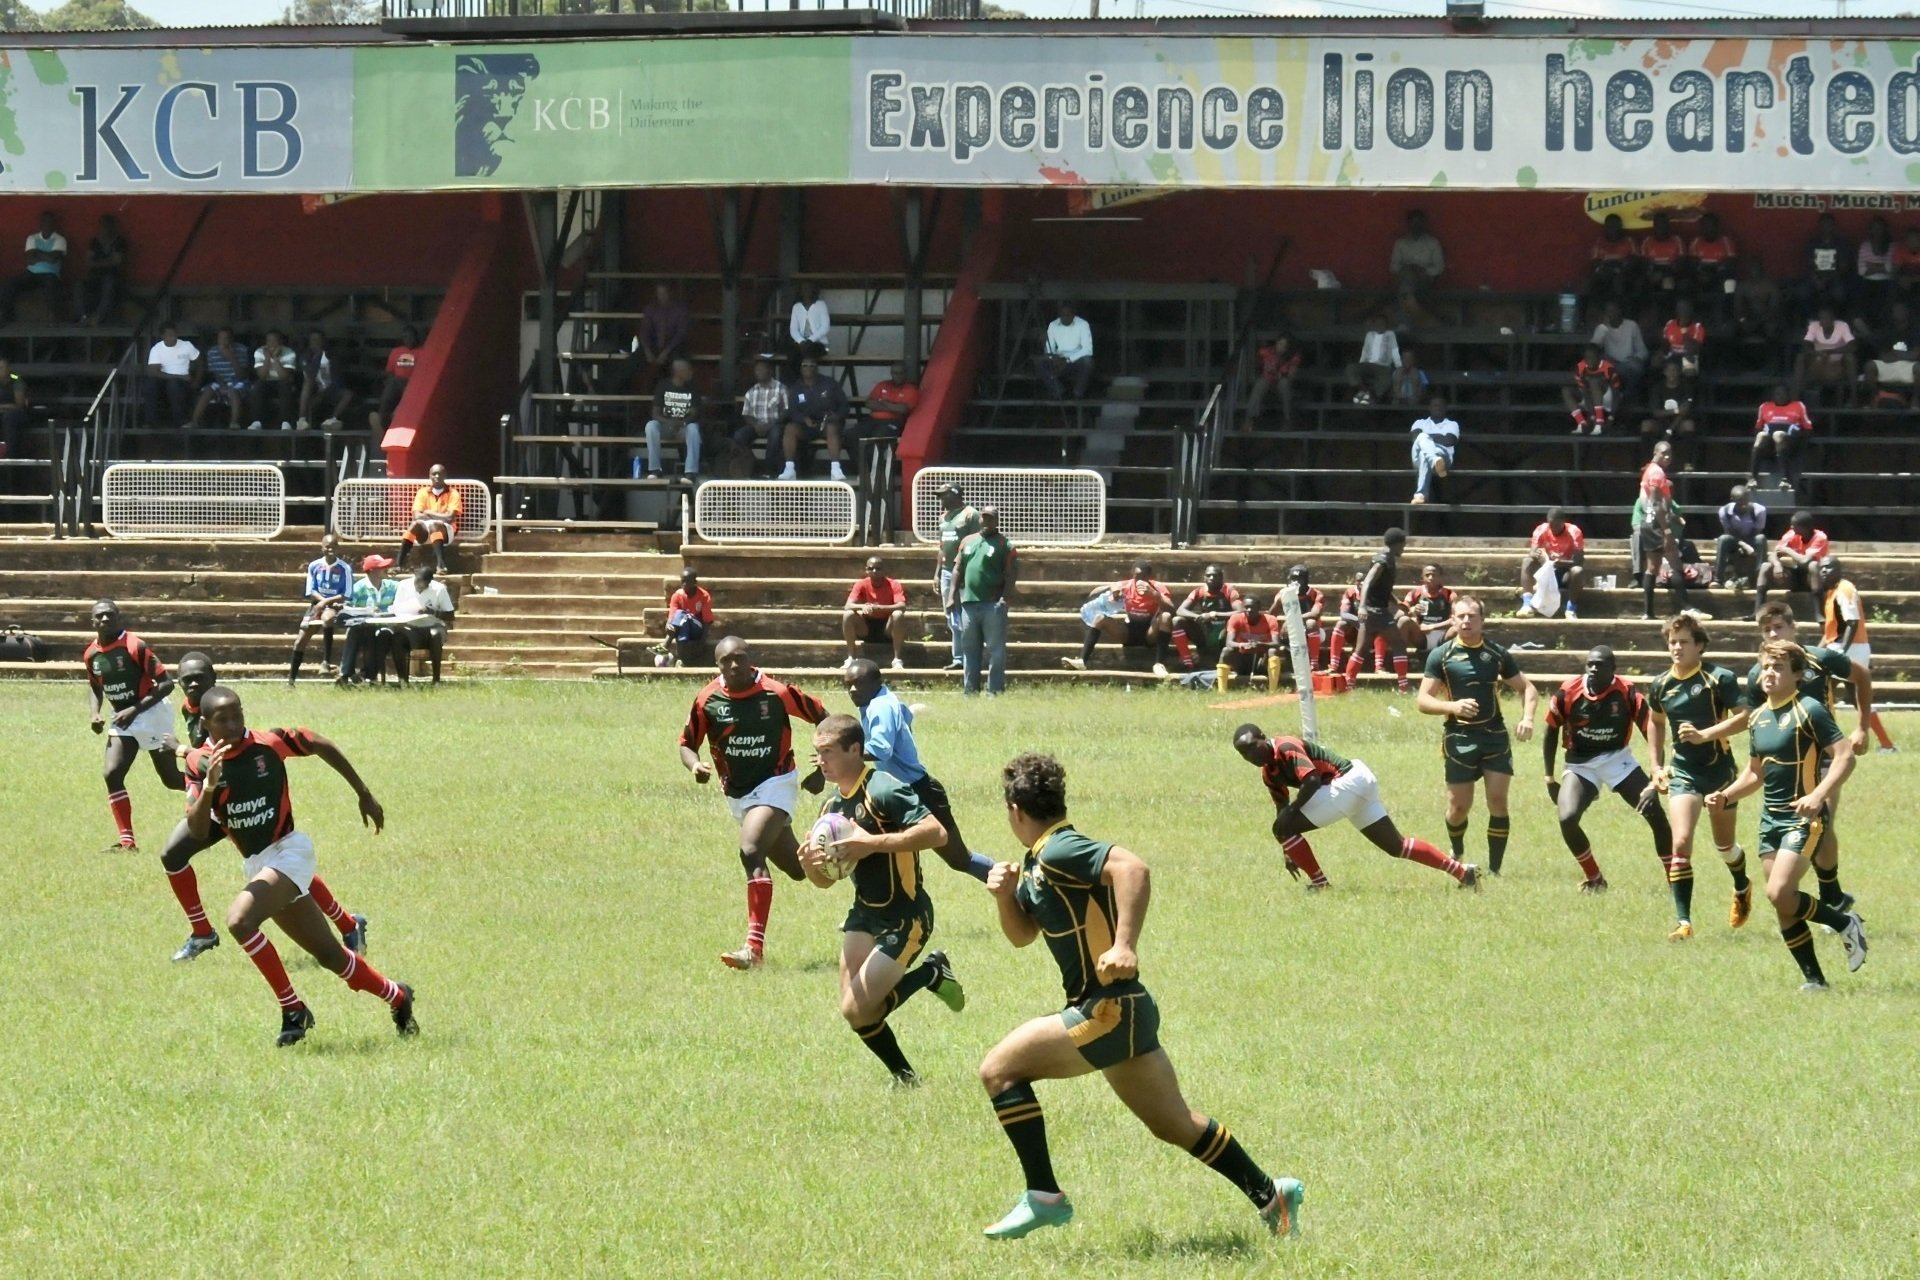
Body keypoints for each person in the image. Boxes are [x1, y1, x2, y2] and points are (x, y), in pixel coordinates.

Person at [977, 753, 1304, 1241]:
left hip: (1105, 1009)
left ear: (1015, 809)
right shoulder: (1037, 862)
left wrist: (1124, 943)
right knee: (1174, 1124)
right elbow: (1022, 935)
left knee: (999, 1071)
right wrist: (1005, 897)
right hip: (1125, 1011)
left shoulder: (1061, 849)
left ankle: (1043, 1196)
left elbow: (1132, 868)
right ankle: (1270, 1196)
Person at [184, 687, 416, 1045]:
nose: (232, 724)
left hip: (290, 851)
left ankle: (293, 1010)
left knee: (239, 921)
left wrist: (363, 793)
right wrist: (211, 789)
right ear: (205, 723)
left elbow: (318, 742)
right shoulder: (199, 764)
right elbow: (198, 831)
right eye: (222, 719)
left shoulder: (268, 743)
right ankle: (398, 996)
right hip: (258, 863)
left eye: (237, 715)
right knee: (331, 957)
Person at [161, 653, 367, 964]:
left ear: (213, 679)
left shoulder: (224, 710)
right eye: (186, 679)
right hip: (216, 800)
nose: (192, 684)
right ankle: (202, 931)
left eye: (199, 678)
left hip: (239, 796)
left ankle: (348, 924)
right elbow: (204, 761)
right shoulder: (192, 709)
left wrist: (179, 749)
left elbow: (223, 751)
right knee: (173, 855)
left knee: (276, 858)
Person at [1682, 603, 1876, 925]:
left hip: (1827, 754)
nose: (1773, 634)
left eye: (1779, 628)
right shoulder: (1761, 674)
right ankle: (1825, 898)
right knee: (1802, 828)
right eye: (1767, 630)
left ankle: (1830, 896)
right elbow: (1751, 719)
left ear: (1793, 627)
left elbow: (1862, 675)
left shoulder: (1821, 657)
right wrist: (1706, 735)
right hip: (1788, 759)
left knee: (1820, 815)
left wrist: (1862, 726)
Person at [801, 714, 965, 1087]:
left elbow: (936, 833)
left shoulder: (884, 788)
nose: (821, 761)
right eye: (817, 754)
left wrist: (869, 842)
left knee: (857, 1009)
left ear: (855, 750)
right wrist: (811, 866)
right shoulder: (830, 809)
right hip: (864, 914)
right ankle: (906, 1078)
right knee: (856, 1012)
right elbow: (825, 882)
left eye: (828, 752)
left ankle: (929, 973)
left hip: (906, 915)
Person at [1703, 642, 1865, 992]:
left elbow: (1844, 756)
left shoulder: (1811, 710)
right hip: (1769, 823)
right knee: (1783, 906)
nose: (1770, 674)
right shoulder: (1758, 717)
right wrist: (1725, 796)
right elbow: (1754, 775)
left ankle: (1844, 923)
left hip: (1804, 820)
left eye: (1778, 668)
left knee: (1779, 893)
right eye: (1765, 667)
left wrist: (1818, 795)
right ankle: (1816, 981)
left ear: (1797, 674)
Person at [679, 637, 829, 970]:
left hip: (777, 783)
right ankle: (838, 842)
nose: (734, 665)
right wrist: (695, 766)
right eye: (726, 661)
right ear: (717, 665)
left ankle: (753, 949)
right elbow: (687, 744)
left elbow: (824, 718)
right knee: (800, 869)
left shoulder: (776, 692)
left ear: (751, 659)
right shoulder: (708, 700)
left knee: (750, 850)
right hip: (739, 794)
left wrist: (822, 767)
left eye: (740, 658)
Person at [1234, 723, 1477, 890]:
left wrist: (1290, 819)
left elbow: (1311, 781)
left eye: (1253, 747)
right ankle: (1462, 872)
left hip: (1346, 783)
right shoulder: (1269, 774)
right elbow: (1282, 809)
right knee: (1396, 846)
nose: (1251, 756)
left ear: (1264, 738)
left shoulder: (1285, 747)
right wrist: (1288, 850)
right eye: (1244, 754)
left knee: (1282, 827)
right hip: (1358, 782)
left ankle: (1321, 886)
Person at [1647, 614, 1755, 937]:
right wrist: (1655, 766)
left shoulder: (1718, 678)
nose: (1677, 648)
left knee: (1725, 846)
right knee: (1680, 843)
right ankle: (1684, 922)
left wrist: (1705, 735)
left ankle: (1742, 885)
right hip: (1683, 772)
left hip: (1720, 772)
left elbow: (1746, 717)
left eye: (1683, 642)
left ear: (1700, 646)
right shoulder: (1660, 685)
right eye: (1672, 642)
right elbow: (1655, 722)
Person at [1416, 594, 1538, 874]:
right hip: (1459, 738)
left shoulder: (1496, 653)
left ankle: (1495, 870)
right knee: (1458, 807)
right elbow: (1423, 700)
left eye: (1472, 616)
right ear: (1453, 619)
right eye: (1461, 616)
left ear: (1482, 621)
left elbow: (1527, 688)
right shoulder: (1441, 655)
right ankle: (1457, 849)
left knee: (1497, 800)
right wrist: (1452, 706)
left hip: (1494, 736)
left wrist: (1528, 718)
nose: (1466, 621)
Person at [1542, 647, 1673, 901]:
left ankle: (1673, 879)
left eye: (1599, 665)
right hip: (1580, 765)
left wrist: (1655, 777)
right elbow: (1550, 732)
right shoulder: (1568, 691)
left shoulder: (1627, 692)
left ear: (1613, 669)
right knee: (1567, 818)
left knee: (1654, 812)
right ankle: (1594, 878)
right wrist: (1549, 778)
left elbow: (1652, 731)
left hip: (1618, 760)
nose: (1593, 669)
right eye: (1589, 664)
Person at [844, 660, 994, 881]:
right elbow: (905, 714)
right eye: (848, 685)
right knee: (884, 856)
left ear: (877, 682)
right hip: (895, 792)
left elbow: (880, 749)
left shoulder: (880, 706)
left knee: (960, 859)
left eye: (859, 683)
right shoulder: (883, 699)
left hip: (919, 792)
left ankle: (1013, 885)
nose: (852, 689)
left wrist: (843, 753)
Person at [83, 600, 184, 852]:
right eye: (100, 616)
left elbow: (166, 683)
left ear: (119, 617)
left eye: (109, 615)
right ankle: (127, 842)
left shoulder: (134, 646)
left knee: (171, 779)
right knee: (112, 773)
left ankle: (215, 792)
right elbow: (95, 686)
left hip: (151, 713)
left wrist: (135, 708)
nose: (105, 620)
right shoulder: (91, 654)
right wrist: (95, 713)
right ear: (92, 621)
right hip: (122, 718)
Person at [1816, 556, 1895, 752]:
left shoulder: (1845, 589)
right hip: (1844, 646)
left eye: (1829, 568)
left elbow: (1852, 622)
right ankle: (1886, 744)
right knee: (1856, 697)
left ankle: (1826, 742)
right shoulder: (1833, 591)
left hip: (1849, 647)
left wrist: (1842, 651)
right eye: (1822, 569)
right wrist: (1817, 652)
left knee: (1824, 690)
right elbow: (1831, 632)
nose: (1824, 571)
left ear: (1839, 569)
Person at [949, 505, 1017, 695]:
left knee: (996, 650)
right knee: (970, 649)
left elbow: (1011, 574)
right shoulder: (967, 541)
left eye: (990, 518)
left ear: (997, 521)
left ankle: (994, 690)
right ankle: (970, 690)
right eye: (984, 518)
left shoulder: (1005, 545)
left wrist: (1004, 598)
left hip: (992, 604)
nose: (986, 521)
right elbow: (957, 569)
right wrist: (951, 594)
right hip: (969, 603)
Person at [1066, 561, 1176, 676]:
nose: (1139, 580)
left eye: (1143, 577)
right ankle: (1082, 661)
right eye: (1137, 576)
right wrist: (1112, 588)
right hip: (1129, 631)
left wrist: (1154, 595)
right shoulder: (1127, 585)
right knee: (1100, 618)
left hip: (1150, 631)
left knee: (1166, 617)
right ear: (1133, 575)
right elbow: (1097, 591)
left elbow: (1172, 610)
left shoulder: (1157, 587)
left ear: (1149, 576)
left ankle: (1159, 664)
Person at [1634, 440, 1697, 620]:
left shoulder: (1649, 470)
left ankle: (1648, 612)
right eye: (1664, 453)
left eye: (1670, 454)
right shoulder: (1657, 472)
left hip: (1648, 521)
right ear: (1655, 452)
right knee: (1675, 563)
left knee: (1652, 568)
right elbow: (1655, 503)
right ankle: (1685, 606)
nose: (1668, 457)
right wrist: (1667, 532)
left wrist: (1674, 516)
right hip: (1656, 524)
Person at [1345, 527, 1408, 692]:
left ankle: (1348, 685)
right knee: (1399, 644)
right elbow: (1367, 582)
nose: (1404, 548)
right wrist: (1363, 607)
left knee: (1361, 649)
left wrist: (1396, 601)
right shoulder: (1383, 561)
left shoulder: (1387, 558)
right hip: (1376, 611)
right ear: (1397, 543)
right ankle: (1404, 687)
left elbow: (1382, 588)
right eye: (1403, 545)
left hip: (1376, 610)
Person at [288, 533, 351, 684]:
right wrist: (322, 602)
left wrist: (327, 602)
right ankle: (291, 680)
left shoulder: (344, 568)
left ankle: (326, 662)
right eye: (327, 547)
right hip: (316, 604)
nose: (331, 550)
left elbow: (346, 594)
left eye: (334, 547)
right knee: (300, 641)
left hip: (335, 605)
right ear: (322, 548)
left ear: (338, 548)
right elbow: (311, 591)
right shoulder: (314, 566)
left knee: (327, 618)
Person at [934, 482, 981, 673]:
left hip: (965, 570)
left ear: (955, 495)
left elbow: (977, 543)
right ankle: (958, 658)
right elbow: (941, 547)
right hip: (946, 571)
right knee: (952, 617)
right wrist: (937, 573)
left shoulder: (970, 515)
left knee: (967, 617)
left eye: (945, 495)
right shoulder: (943, 517)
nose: (941, 500)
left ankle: (970, 657)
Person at [778, 358, 848, 482]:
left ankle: (836, 469)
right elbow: (791, 411)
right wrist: (803, 419)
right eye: (805, 365)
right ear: (800, 368)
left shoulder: (829, 383)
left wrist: (837, 416)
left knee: (832, 427)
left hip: (827, 423)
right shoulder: (796, 387)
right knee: (790, 428)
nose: (808, 368)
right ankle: (789, 469)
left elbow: (844, 405)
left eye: (812, 365)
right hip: (806, 426)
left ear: (817, 367)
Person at [334, 554, 399, 686]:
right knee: (356, 631)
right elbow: (348, 608)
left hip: (386, 625)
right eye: (382, 567)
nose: (386, 569)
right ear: (371, 571)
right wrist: (366, 612)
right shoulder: (358, 587)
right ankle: (347, 673)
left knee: (384, 635)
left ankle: (365, 674)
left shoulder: (393, 586)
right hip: (363, 626)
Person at [385, 566, 456, 686]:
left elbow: (450, 615)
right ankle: (403, 680)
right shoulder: (403, 585)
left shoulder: (439, 589)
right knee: (397, 638)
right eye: (417, 582)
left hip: (432, 626)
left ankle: (436, 680)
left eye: (422, 585)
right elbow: (397, 608)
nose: (419, 587)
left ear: (429, 582)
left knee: (436, 635)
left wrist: (433, 612)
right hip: (410, 627)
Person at [841, 555, 908, 672]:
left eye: (878, 568)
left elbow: (902, 606)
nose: (875, 571)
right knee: (848, 615)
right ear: (866, 570)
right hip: (866, 626)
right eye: (871, 568)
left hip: (887, 627)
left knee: (898, 615)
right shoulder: (861, 584)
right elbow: (848, 605)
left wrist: (880, 608)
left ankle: (897, 659)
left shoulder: (894, 584)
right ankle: (851, 657)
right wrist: (864, 606)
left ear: (884, 570)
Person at [1753, 509, 1826, 616]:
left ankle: (1818, 612)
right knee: (1766, 566)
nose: (1791, 527)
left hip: (1812, 579)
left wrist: (1788, 550)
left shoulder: (1820, 537)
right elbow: (1773, 554)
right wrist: (1777, 565)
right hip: (1795, 577)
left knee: (1813, 565)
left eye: (1794, 525)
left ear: (1804, 527)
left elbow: (1805, 561)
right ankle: (1757, 611)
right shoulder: (1791, 534)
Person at [1171, 564, 1241, 674]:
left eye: (1215, 576)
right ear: (1204, 578)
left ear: (1221, 578)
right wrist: (1199, 617)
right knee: (1177, 621)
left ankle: (1230, 663)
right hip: (1204, 632)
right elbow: (1180, 610)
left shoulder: (1229, 591)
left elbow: (1240, 611)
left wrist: (1215, 614)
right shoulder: (1199, 591)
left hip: (1224, 633)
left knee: (1236, 624)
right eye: (1209, 575)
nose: (1212, 578)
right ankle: (1188, 663)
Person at [0, 210, 67, 325]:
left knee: (51, 287)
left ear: (53, 223)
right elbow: (30, 260)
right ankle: (5, 315)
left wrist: (37, 252)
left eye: (49, 221)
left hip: (50, 274)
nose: (46, 224)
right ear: (40, 223)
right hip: (31, 273)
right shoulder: (32, 238)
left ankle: (53, 318)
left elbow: (53, 259)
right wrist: (45, 255)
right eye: (44, 221)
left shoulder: (60, 239)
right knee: (9, 284)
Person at [1519, 506, 1585, 620]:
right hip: (1548, 571)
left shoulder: (1574, 532)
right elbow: (1532, 551)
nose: (1553, 528)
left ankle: (1571, 608)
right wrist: (1536, 554)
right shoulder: (1542, 529)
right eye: (1551, 525)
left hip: (1565, 572)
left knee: (1578, 571)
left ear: (1563, 522)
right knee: (1527, 561)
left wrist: (1562, 563)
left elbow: (1579, 560)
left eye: (1557, 525)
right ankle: (1527, 603)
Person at [397, 462, 462, 573]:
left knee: (435, 525)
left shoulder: (453, 493)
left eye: (440, 474)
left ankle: (441, 565)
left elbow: (450, 518)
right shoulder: (422, 492)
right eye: (434, 474)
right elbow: (417, 516)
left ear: (445, 476)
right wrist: (439, 516)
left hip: (446, 531)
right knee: (415, 525)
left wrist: (428, 513)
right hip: (425, 530)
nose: (437, 476)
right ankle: (398, 564)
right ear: (430, 476)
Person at [643, 357, 702, 479]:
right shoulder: (663, 386)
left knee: (693, 429)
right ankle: (655, 469)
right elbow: (655, 413)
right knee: (651, 426)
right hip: (666, 426)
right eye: (687, 370)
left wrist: (681, 423)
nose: (691, 372)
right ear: (678, 372)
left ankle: (690, 471)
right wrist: (670, 422)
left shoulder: (693, 388)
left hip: (683, 428)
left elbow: (694, 413)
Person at [1749, 384, 1813, 495]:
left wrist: (1799, 444)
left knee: (1778, 435)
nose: (1781, 396)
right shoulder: (1765, 406)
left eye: (1783, 393)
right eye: (1778, 393)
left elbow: (1807, 428)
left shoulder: (1798, 406)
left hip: (1790, 441)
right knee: (1760, 436)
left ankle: (1785, 479)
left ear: (1789, 395)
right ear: (1773, 395)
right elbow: (1758, 428)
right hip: (1771, 444)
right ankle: (1752, 478)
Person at [1638, 360, 1698, 470]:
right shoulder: (1658, 387)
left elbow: (1684, 411)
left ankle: (1688, 463)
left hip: (1678, 424)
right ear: (1664, 372)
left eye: (1674, 370)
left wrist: (1670, 430)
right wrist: (1675, 411)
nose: (1672, 373)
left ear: (1679, 372)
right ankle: (1646, 463)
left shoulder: (1685, 387)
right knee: (1646, 425)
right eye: (1669, 370)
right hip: (1660, 424)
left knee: (1689, 424)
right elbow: (1656, 412)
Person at [734, 358, 789, 475]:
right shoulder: (751, 392)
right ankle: (755, 464)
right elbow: (746, 414)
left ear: (770, 371)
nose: (758, 372)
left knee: (776, 434)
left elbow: (786, 411)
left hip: (775, 424)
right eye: (757, 370)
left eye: (762, 369)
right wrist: (755, 425)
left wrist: (771, 425)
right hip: (757, 425)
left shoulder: (781, 388)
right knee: (739, 436)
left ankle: (768, 469)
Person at [1389, 208, 1445, 322]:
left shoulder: (1433, 242)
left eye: (1419, 222)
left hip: (1424, 280)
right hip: (1405, 277)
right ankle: (1426, 320)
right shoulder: (1400, 243)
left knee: (1405, 287)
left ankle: (1404, 322)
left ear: (1423, 224)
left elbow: (1439, 267)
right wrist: (1408, 269)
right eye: (1413, 222)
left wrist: (1422, 271)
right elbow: (1393, 267)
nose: (1416, 226)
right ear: (1408, 224)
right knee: (1406, 282)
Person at [1794, 305, 1857, 405]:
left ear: (1833, 319)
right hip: (1818, 364)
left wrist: (1831, 352)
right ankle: (1795, 399)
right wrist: (1817, 353)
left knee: (1850, 358)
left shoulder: (1842, 326)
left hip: (1837, 365)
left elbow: (1852, 347)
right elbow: (1805, 347)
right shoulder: (1814, 326)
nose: (1824, 321)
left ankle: (1854, 397)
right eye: (1821, 318)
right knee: (1800, 358)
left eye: (1827, 318)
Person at [72, 213, 127, 325]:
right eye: (103, 226)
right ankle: (83, 317)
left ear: (113, 227)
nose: (105, 228)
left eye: (107, 226)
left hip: (112, 276)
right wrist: (108, 261)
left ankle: (98, 317)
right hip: (94, 276)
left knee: (109, 284)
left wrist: (97, 262)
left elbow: (117, 262)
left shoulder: (119, 242)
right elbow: (87, 262)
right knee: (78, 284)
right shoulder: (94, 242)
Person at [1271, 564, 1327, 672]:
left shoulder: (1316, 594)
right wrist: (1278, 602)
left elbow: (1315, 614)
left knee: (1311, 622)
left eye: (1299, 579)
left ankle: (1314, 663)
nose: (1295, 582)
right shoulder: (1284, 592)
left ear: (1305, 580)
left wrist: (1292, 620)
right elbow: (1271, 615)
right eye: (1293, 579)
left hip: (1313, 631)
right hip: (1291, 630)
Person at [142, 322, 200, 428]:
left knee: (173, 385)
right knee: (150, 384)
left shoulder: (186, 345)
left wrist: (197, 380)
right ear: (162, 336)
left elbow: (200, 364)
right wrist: (178, 376)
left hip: (183, 382)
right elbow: (152, 372)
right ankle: (150, 421)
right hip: (168, 380)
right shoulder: (157, 349)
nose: (173, 337)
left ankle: (181, 421)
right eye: (169, 335)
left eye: (174, 334)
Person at [1218, 596, 1282, 691]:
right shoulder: (1235, 618)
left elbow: (1276, 643)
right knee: (1226, 651)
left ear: (1259, 608)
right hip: (1242, 659)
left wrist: (1260, 644)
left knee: (1273, 651)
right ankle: (1221, 690)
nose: (1249, 610)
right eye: (1246, 607)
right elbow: (1229, 643)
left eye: (1252, 607)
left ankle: (1273, 690)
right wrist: (1242, 645)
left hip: (1261, 660)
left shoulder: (1270, 620)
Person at [191, 327, 250, 428]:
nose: (224, 341)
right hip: (221, 382)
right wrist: (223, 386)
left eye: (226, 338)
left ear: (232, 339)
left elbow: (242, 375)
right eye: (221, 338)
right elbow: (214, 373)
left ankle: (234, 422)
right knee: (208, 390)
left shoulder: (241, 349)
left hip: (238, 382)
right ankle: (194, 421)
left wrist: (231, 357)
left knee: (234, 391)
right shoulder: (212, 352)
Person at [1035, 301, 1094, 401]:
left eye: (1068, 315)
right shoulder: (1053, 325)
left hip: (1076, 360)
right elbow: (1049, 348)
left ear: (1073, 315)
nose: (1065, 317)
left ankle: (1078, 394)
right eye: (1063, 315)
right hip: (1058, 360)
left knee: (1088, 362)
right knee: (1041, 363)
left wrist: (1067, 360)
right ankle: (1059, 393)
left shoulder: (1083, 324)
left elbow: (1087, 349)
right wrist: (1053, 358)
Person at [297, 329, 354, 430]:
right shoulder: (306, 356)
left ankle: (333, 420)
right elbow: (311, 372)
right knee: (308, 382)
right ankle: (302, 420)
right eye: (313, 340)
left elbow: (337, 378)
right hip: (315, 391)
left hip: (331, 390)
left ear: (323, 341)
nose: (315, 342)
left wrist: (322, 354)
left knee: (348, 394)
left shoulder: (332, 355)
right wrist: (318, 355)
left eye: (318, 340)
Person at [1241, 333, 1300, 430]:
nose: (1281, 348)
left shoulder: (1294, 357)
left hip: (1282, 389)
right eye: (1280, 344)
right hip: (1267, 385)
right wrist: (1265, 367)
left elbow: (1291, 376)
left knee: (1284, 383)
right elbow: (1256, 367)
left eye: (1284, 346)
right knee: (1261, 383)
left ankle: (1287, 419)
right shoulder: (1266, 352)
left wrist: (1280, 374)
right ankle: (1249, 419)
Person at [1714, 484, 1768, 591]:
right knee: (1723, 539)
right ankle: (1718, 579)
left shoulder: (1759, 510)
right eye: (1740, 501)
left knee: (1761, 538)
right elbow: (1730, 533)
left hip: (1752, 539)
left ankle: (1759, 577)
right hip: (1735, 540)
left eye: (1745, 500)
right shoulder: (1724, 511)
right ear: (1733, 499)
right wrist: (1743, 545)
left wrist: (1747, 545)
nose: (1743, 505)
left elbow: (1757, 531)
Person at [1407, 394, 1457, 505]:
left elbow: (1449, 441)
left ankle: (1421, 495)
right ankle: (1434, 461)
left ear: (1445, 408)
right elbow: (1415, 437)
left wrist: (1428, 437)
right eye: (1435, 405)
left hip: (1444, 459)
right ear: (1430, 408)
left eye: (1440, 405)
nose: (1437, 407)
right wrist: (1438, 437)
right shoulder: (1419, 422)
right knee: (1421, 437)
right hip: (1421, 462)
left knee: (1424, 452)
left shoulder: (1452, 424)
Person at [1563, 343, 1622, 436]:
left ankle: (1599, 423)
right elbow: (1586, 393)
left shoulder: (1609, 367)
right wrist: (1592, 415)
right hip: (1589, 399)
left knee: (1594, 382)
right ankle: (1582, 424)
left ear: (1599, 357)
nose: (1589, 360)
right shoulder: (1580, 367)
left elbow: (1616, 393)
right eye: (1587, 357)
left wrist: (1611, 416)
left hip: (1606, 398)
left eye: (1592, 357)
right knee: (1566, 390)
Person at [1591, 302, 1648, 398]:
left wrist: (1636, 358)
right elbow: (1593, 348)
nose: (1610, 314)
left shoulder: (1632, 325)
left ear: (1620, 311)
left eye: (1613, 311)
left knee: (1636, 367)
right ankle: (1617, 397)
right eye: (1608, 311)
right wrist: (1603, 327)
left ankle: (1627, 396)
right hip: (1611, 364)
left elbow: (1643, 351)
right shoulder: (1602, 328)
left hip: (1628, 363)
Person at [637, 281, 691, 381]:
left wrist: (666, 351)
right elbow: (644, 331)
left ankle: (677, 388)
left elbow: (681, 334)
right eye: (659, 294)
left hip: (674, 347)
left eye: (664, 293)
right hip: (654, 345)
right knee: (633, 359)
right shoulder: (651, 308)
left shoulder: (681, 309)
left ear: (670, 293)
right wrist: (647, 350)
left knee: (678, 360)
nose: (661, 296)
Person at [1587, 213, 1641, 313]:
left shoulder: (1629, 241)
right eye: (1610, 226)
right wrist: (1603, 269)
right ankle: (1597, 311)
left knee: (1620, 280)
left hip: (1624, 272)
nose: (1613, 229)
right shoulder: (1600, 242)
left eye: (1615, 225)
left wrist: (1621, 269)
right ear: (1605, 227)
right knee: (1591, 280)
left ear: (1620, 226)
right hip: (1605, 272)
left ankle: (1621, 309)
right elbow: (1595, 262)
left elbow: (1635, 260)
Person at [371, 326, 421, 433]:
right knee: (390, 386)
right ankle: (382, 420)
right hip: (396, 381)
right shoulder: (396, 352)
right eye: (405, 337)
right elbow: (389, 371)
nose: (408, 339)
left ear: (415, 338)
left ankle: (395, 418)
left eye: (410, 337)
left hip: (411, 383)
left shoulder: (421, 352)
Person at [1398, 563, 1454, 657]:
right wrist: (1412, 610)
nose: (1431, 577)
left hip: (1443, 635)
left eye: (1434, 575)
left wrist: (1432, 627)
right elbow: (1403, 610)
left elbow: (1456, 619)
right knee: (1403, 620)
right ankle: (1400, 659)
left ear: (1441, 578)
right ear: (1422, 578)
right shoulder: (1415, 592)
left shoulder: (1449, 594)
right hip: (1421, 635)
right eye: (1427, 575)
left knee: (1457, 628)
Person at [662, 566, 715, 667]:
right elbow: (672, 614)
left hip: (697, 629)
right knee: (682, 619)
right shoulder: (677, 595)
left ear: (695, 582)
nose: (684, 584)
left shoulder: (703, 596)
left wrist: (702, 642)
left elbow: (707, 621)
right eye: (683, 581)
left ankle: (665, 645)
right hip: (683, 628)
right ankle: (682, 660)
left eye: (687, 581)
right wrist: (668, 625)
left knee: (683, 615)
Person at [1345, 312, 1399, 405]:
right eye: (1377, 323)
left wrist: (1398, 366)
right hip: (1367, 364)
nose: (1380, 326)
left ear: (1386, 325)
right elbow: (1364, 351)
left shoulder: (1391, 336)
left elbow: (1395, 351)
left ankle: (1373, 396)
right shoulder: (1369, 335)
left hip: (1384, 366)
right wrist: (1362, 363)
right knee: (1351, 368)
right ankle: (1363, 390)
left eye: (1382, 323)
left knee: (1386, 379)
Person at [248, 329, 298, 430]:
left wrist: (275, 358)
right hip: (265, 381)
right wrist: (267, 357)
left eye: (275, 341)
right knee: (257, 386)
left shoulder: (289, 352)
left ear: (280, 342)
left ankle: (285, 422)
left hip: (282, 381)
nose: (272, 344)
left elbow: (284, 376)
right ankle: (257, 421)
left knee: (285, 386)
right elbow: (262, 376)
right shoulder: (259, 352)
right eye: (269, 341)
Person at [1688, 211, 1740, 306]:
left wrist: (1714, 272)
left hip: (1720, 274)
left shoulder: (1726, 241)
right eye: (1706, 226)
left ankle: (1728, 312)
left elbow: (1730, 262)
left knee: (1730, 284)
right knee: (1687, 283)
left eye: (1712, 226)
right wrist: (1702, 273)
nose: (1709, 229)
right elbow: (1692, 262)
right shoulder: (1696, 242)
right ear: (1702, 228)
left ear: (1717, 227)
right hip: (1701, 274)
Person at [1802, 212, 1850, 313]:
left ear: (1834, 226)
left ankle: (1837, 321)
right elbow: (1809, 265)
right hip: (1816, 278)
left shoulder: (1841, 244)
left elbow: (1843, 267)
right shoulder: (1813, 243)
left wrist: (1827, 279)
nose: (1827, 227)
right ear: (1819, 226)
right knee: (1804, 292)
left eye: (1829, 224)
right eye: (1824, 225)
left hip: (1835, 278)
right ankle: (1811, 320)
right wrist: (1816, 279)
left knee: (1839, 293)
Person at [1638, 211, 1687, 298]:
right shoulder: (1647, 241)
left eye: (1664, 224)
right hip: (1654, 271)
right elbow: (1643, 262)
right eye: (1658, 224)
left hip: (1671, 272)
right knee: (1641, 283)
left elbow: (1681, 261)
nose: (1661, 227)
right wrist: (1650, 273)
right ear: (1654, 226)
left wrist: (1664, 274)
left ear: (1668, 225)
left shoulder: (1677, 240)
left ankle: (1667, 306)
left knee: (1669, 283)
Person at [1863, 339, 1916, 410]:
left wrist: (1895, 354)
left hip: (1909, 364)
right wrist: (1900, 355)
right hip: (1887, 363)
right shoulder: (1888, 332)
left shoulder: (1915, 333)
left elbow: (1916, 355)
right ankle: (1873, 399)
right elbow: (1883, 355)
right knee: (1870, 365)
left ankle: (1916, 401)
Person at [1658, 297, 1705, 377]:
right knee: (1657, 361)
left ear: (1691, 310)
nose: (1683, 311)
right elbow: (1665, 345)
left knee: (1689, 367)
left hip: (1689, 356)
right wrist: (1661, 353)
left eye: (1686, 308)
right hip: (1673, 355)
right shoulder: (1670, 324)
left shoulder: (1697, 326)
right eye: (1680, 308)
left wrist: (1684, 329)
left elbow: (1692, 349)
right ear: (1677, 311)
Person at [788, 280, 831, 367]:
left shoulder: (821, 305)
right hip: (801, 344)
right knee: (791, 353)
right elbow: (793, 329)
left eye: (809, 289)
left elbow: (825, 327)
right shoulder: (796, 307)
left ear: (814, 290)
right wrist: (801, 341)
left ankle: (808, 374)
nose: (807, 291)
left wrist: (810, 340)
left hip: (817, 343)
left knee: (809, 351)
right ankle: (797, 378)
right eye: (804, 289)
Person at [0, 356, 32, 462]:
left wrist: (3, 407)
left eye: (1, 368)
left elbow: (20, 405)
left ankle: (11, 458)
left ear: (8, 368)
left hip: (18, 415)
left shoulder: (17, 380)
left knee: (8, 418)